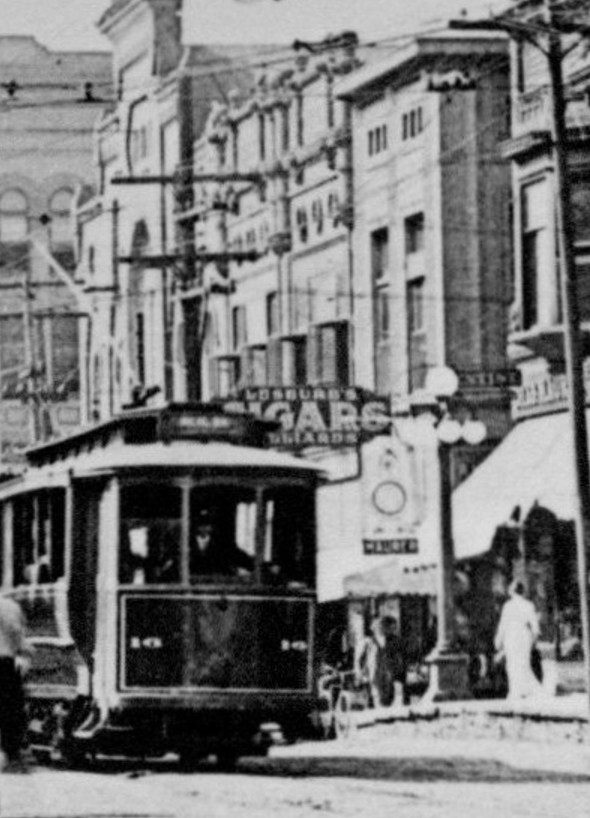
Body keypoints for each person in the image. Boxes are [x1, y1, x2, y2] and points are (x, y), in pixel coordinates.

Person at [0, 594, 33, 772]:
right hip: (5, 661)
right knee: (10, 710)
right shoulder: (10, 607)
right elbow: (18, 633)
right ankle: (10, 755)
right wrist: (24, 652)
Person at [494, 580, 543, 701]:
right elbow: (535, 627)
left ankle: (516, 691)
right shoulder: (529, 605)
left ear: (511, 592)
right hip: (524, 636)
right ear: (523, 591)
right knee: (524, 663)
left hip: (511, 636)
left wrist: (498, 640)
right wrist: (534, 640)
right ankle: (527, 690)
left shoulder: (508, 606)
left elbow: (503, 625)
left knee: (512, 665)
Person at [190, 514, 253, 579]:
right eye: (201, 525)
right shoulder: (188, 543)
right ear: (196, 527)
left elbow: (236, 556)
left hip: (215, 580)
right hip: (192, 579)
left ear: (211, 527)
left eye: (207, 525)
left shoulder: (220, 543)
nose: (204, 528)